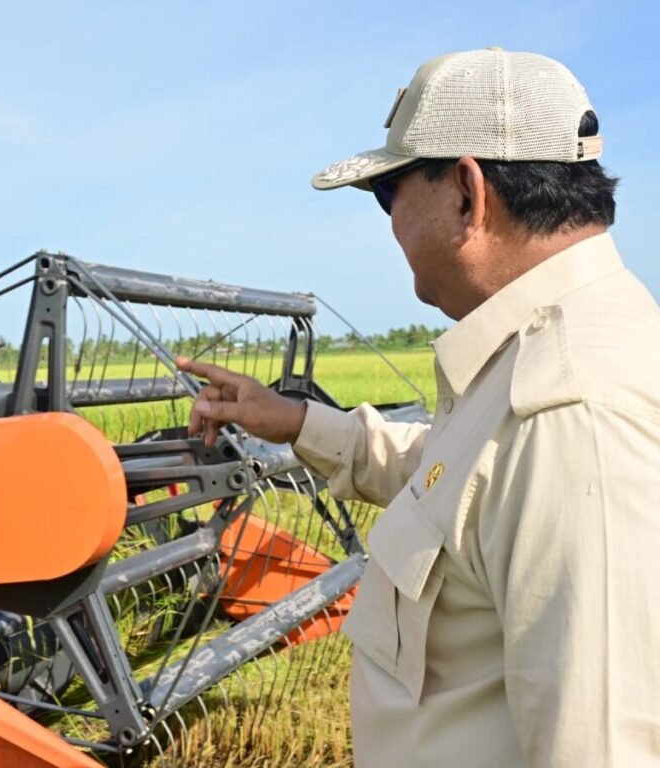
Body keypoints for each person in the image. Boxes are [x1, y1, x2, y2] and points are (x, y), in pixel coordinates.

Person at [178, 48, 660, 767]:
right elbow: (460, 478)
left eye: (389, 193)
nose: (391, 222)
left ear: (467, 192)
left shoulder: (571, 413)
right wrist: (294, 421)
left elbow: (600, 748)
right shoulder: (542, 359)